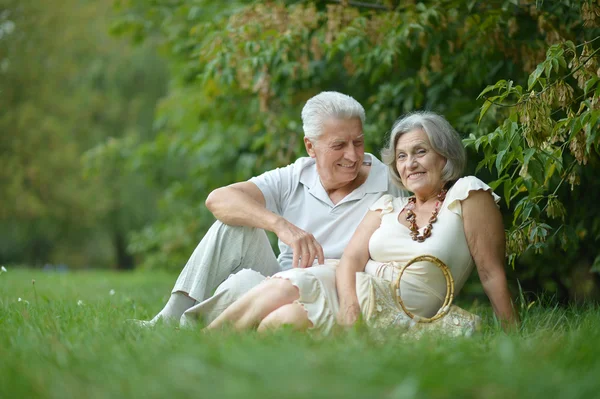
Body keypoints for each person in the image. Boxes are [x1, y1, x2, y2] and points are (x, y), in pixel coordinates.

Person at [205, 111, 519, 333]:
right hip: (354, 287)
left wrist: (512, 332)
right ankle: (209, 340)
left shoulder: (467, 194)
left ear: (444, 155)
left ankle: (210, 340)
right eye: (401, 156)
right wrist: (349, 306)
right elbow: (351, 260)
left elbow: (490, 271)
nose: (410, 164)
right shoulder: (387, 206)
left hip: (398, 308)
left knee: (279, 322)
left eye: (420, 152)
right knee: (285, 296)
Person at [137, 91, 403, 327]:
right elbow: (218, 199)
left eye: (358, 142)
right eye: (339, 145)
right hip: (280, 282)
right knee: (233, 228)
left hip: (337, 289)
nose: (353, 155)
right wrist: (281, 226)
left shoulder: (390, 183)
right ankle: (171, 317)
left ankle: (199, 324)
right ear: (310, 146)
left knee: (242, 286)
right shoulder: (296, 175)